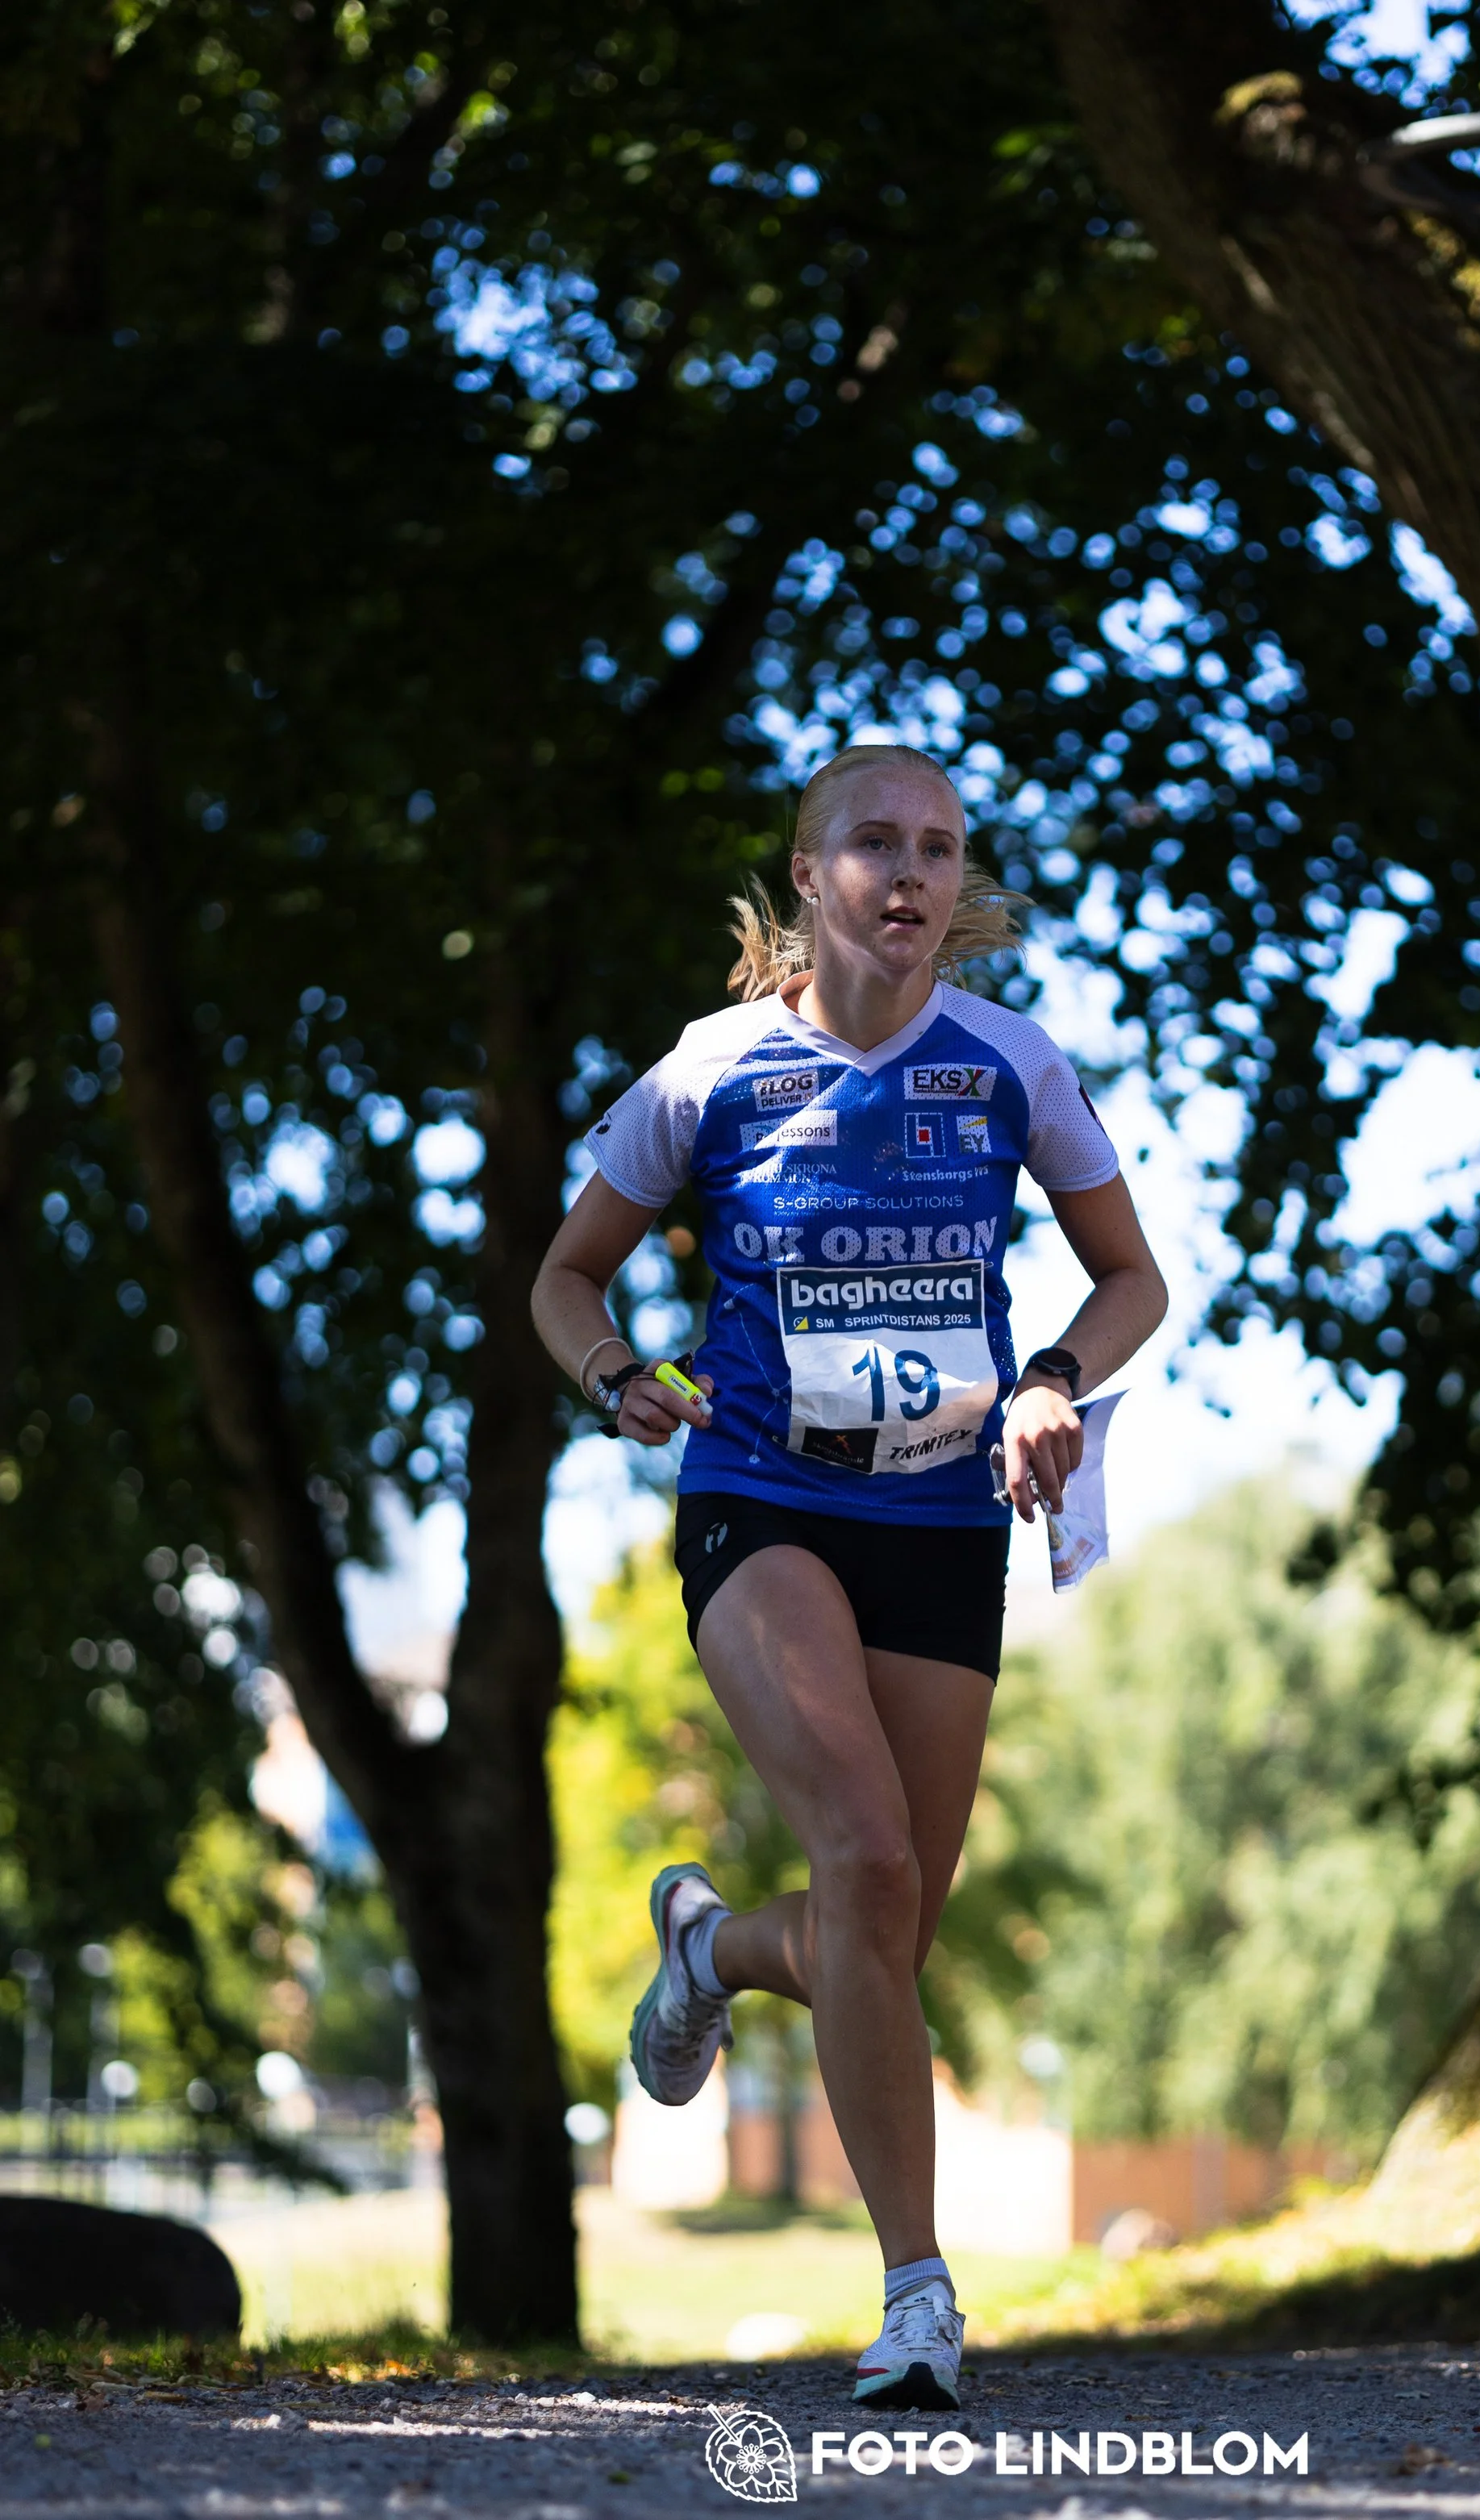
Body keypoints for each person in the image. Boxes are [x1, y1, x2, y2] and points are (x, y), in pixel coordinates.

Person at [532, 744, 1165, 2410]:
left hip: (944, 1518)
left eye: (939, 848)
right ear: (811, 877)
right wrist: (614, 1376)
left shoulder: (1011, 1063)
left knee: (885, 1928)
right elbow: (564, 1275)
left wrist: (1049, 1379)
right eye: (875, 843)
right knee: (869, 1857)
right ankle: (917, 2296)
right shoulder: (711, 1069)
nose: (912, 873)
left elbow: (1131, 1279)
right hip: (762, 1498)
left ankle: (711, 1946)